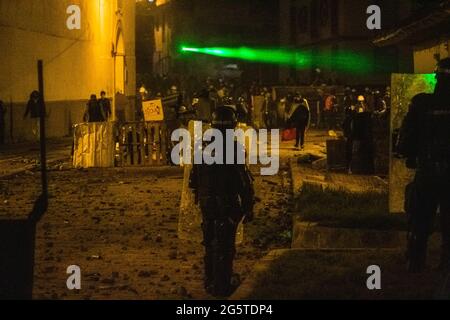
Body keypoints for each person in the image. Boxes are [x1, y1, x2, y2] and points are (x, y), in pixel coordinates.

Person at [189, 105, 255, 297]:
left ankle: (210, 281)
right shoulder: (234, 147)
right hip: (227, 203)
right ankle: (222, 287)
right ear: (233, 125)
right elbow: (242, 179)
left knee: (210, 242)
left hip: (206, 203)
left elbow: (194, 179)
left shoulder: (202, 145)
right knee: (225, 246)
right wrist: (248, 205)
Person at [397, 58, 450, 273]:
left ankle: (416, 262)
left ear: (437, 77)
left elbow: (405, 141)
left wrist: (410, 154)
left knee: (420, 219)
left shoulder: (421, 103)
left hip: (427, 171)